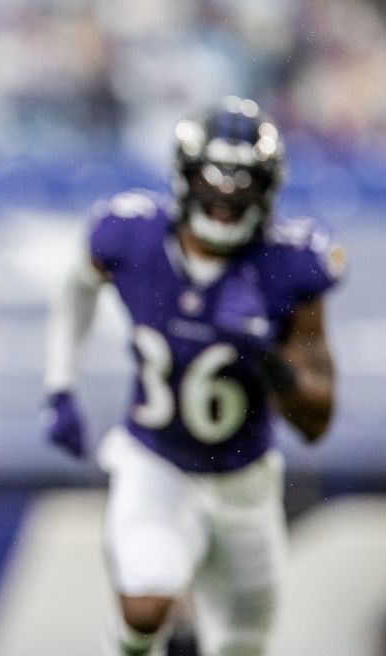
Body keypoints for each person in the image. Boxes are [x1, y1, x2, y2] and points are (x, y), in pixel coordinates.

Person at [42, 97, 344, 656]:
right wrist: (60, 384)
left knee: (243, 642)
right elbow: (77, 287)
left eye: (243, 183)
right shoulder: (129, 235)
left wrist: (268, 354)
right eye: (214, 181)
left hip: (246, 480)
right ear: (183, 179)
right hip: (156, 460)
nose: (226, 197)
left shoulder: (291, 263)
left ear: (267, 189)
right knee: (147, 602)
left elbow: (317, 420)